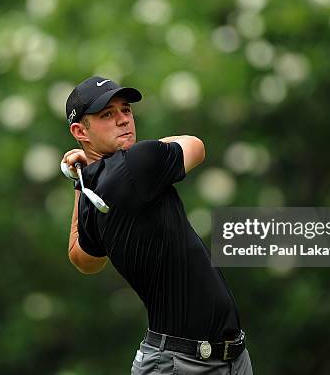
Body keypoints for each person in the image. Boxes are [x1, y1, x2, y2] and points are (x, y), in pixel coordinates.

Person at [61, 75, 253, 374]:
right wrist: (102, 166)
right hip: (182, 364)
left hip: (222, 359)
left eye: (126, 110)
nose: (123, 120)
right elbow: (196, 146)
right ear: (79, 131)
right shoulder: (138, 162)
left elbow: (83, 258)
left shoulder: (92, 193)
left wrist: (80, 179)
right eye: (107, 115)